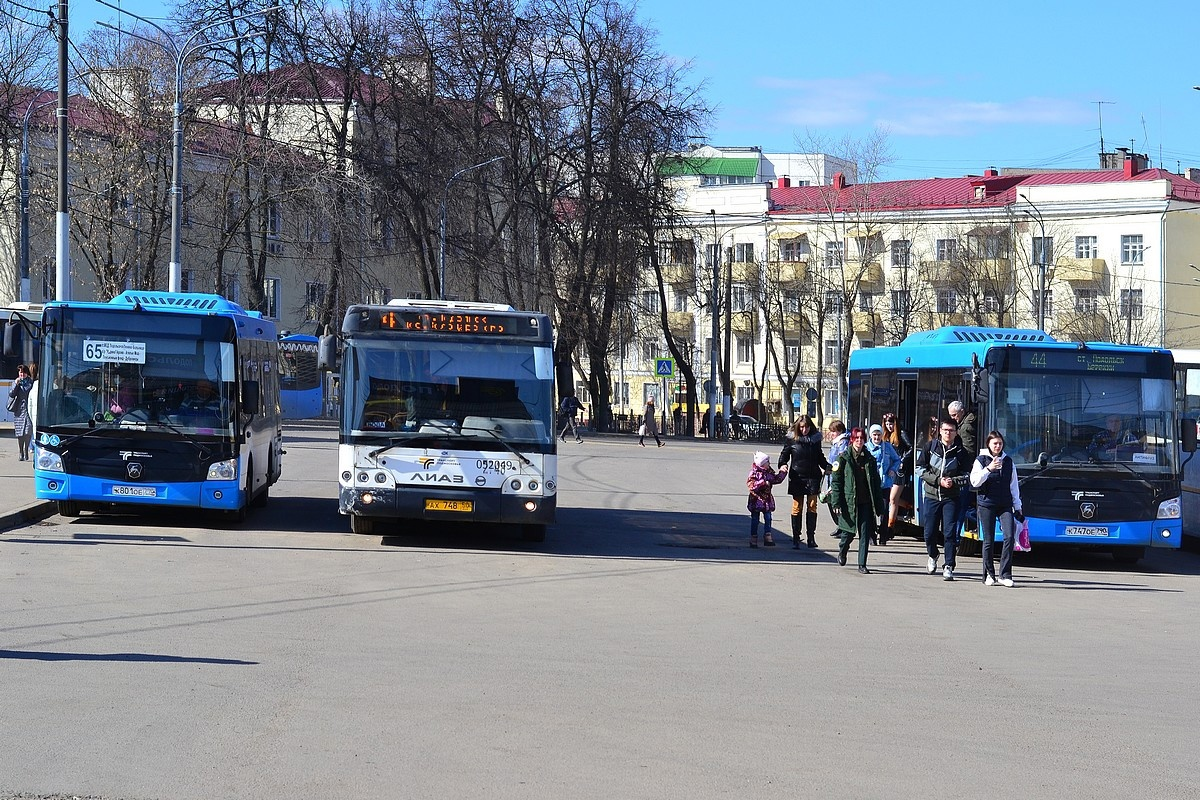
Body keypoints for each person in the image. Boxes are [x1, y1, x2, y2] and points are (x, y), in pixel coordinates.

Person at [970, 430, 1024, 588]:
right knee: (988, 539)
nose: (998, 446)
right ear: (989, 444)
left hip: (1005, 503)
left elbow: (1013, 486)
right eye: (995, 444)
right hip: (986, 503)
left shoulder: (1008, 461)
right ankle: (988, 574)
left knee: (1009, 536)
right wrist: (988, 469)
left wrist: (1018, 506)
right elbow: (974, 481)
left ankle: (1005, 574)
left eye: (1000, 443)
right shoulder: (981, 460)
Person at [919, 417, 970, 580]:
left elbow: (968, 475)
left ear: (956, 433)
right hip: (931, 496)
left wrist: (953, 482)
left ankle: (949, 565)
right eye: (945, 430)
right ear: (940, 431)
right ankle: (933, 555)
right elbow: (919, 469)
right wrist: (937, 480)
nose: (948, 433)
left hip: (951, 498)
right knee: (929, 532)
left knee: (949, 533)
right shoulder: (930, 447)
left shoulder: (961, 452)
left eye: (951, 430)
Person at [829, 427, 884, 574]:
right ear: (852, 439)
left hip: (866, 502)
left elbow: (876, 483)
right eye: (856, 438)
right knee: (848, 533)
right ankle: (843, 550)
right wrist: (836, 502)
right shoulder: (843, 458)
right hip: (849, 502)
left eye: (862, 438)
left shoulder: (870, 459)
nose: (859, 440)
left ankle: (862, 564)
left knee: (865, 533)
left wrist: (879, 505)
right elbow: (836, 482)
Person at [778, 415, 831, 549]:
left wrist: (828, 467)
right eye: (801, 427)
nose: (804, 429)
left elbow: (820, 456)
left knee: (812, 506)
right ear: (797, 427)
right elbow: (784, 454)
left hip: (813, 476)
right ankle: (796, 538)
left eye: (806, 426)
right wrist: (782, 464)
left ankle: (811, 538)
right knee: (797, 506)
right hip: (798, 477)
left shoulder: (815, 439)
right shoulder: (792, 439)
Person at [866, 423, 901, 545]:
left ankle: (883, 535)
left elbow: (897, 459)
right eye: (874, 435)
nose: (877, 437)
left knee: (884, 510)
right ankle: (871, 535)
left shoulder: (887, 447)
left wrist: (893, 469)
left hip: (885, 483)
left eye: (879, 435)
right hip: (870, 484)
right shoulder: (866, 448)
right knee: (870, 510)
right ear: (871, 435)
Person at [746, 451, 787, 547]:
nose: (769, 464)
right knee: (755, 519)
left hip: (766, 500)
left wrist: (783, 472)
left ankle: (768, 536)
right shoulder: (754, 473)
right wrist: (763, 483)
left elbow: (776, 479)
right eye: (767, 462)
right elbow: (751, 486)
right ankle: (753, 537)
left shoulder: (769, 472)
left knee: (768, 518)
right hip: (756, 499)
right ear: (762, 464)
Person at [948, 400, 977, 534]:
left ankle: (955, 536)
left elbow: (968, 451)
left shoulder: (965, 427)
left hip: (967, 471)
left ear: (961, 412)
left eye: (954, 415)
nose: (952, 418)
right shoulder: (965, 422)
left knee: (961, 505)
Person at [882, 412, 913, 535]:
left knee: (892, 499)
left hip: (900, 471)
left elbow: (911, 448)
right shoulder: (886, 436)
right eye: (887, 424)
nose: (890, 426)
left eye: (891, 424)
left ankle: (890, 527)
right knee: (890, 498)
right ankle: (907, 505)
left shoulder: (901, 434)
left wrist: (902, 461)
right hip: (889, 470)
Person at [8, 363, 33, 461]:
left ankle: (26, 450)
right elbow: (11, 394)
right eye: (20, 372)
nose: (21, 374)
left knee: (28, 431)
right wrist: (16, 385)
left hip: (28, 410)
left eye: (23, 373)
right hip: (18, 410)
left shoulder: (30, 383)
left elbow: (28, 391)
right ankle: (21, 452)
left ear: (27, 373)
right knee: (20, 433)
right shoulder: (16, 382)